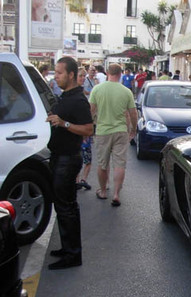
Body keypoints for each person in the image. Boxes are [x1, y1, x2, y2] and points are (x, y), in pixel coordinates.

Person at [45, 57, 94, 270]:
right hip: (59, 157)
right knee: (63, 206)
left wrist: (63, 123)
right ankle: (68, 249)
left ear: (71, 75)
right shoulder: (66, 96)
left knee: (67, 208)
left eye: (59, 73)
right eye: (55, 73)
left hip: (68, 159)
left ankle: (73, 255)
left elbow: (88, 130)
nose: (55, 77)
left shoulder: (79, 100)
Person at [89, 64, 137, 207]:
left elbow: (91, 111)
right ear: (121, 74)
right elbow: (133, 113)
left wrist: (89, 127)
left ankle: (103, 191)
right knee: (119, 164)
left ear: (107, 73)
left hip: (102, 131)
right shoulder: (126, 91)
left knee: (102, 164)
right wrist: (133, 129)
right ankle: (116, 194)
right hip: (121, 131)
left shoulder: (97, 89)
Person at [75, 68, 93, 191]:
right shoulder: (72, 93)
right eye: (80, 76)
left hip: (85, 131)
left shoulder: (82, 92)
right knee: (77, 159)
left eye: (83, 76)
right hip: (76, 132)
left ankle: (83, 180)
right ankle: (76, 180)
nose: (82, 78)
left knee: (87, 159)